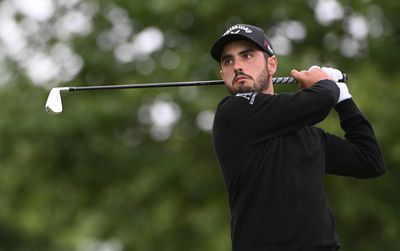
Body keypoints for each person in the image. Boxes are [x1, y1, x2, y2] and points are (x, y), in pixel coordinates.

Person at [210, 24, 386, 251]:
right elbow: (321, 100)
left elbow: (370, 161)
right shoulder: (231, 113)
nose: (237, 66)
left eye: (247, 56)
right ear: (222, 73)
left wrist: (344, 98)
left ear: (271, 64)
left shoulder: (307, 134)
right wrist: (327, 84)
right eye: (228, 61)